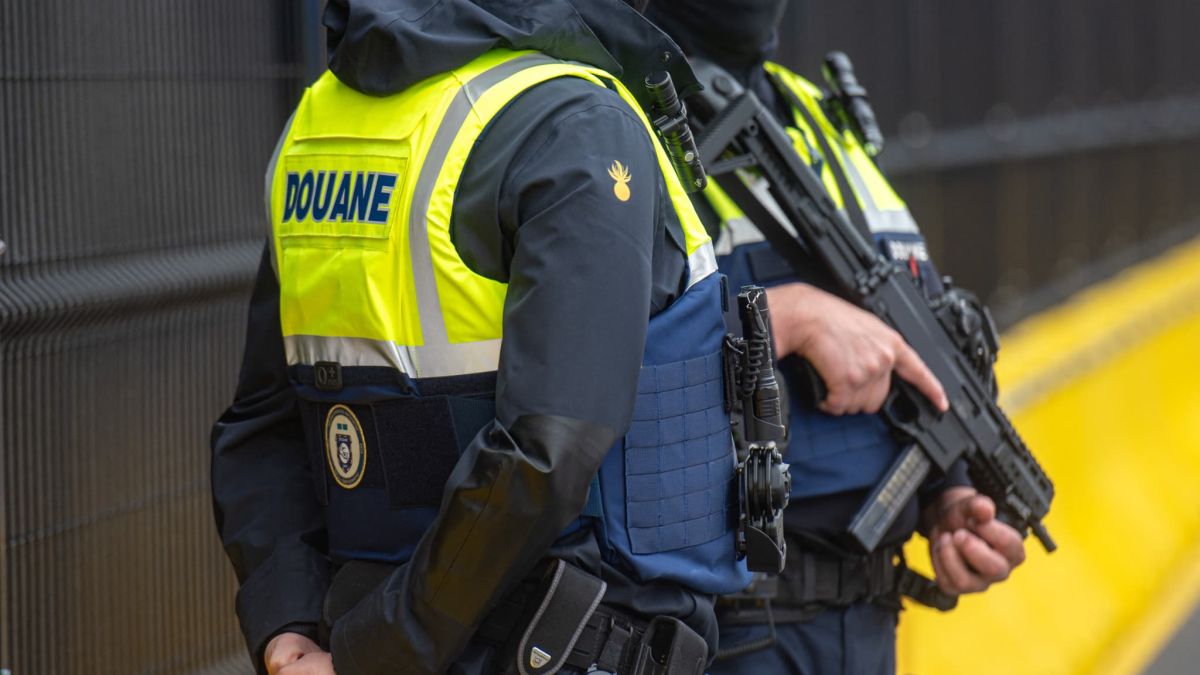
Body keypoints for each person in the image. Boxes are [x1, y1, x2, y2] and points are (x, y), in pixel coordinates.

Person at [209, 1, 757, 674]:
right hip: (558, 644)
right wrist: (375, 655)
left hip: (350, 634)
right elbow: (550, 445)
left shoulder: (318, 123)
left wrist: (288, 627)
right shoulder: (572, 120)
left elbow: (261, 422)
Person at [644, 1, 1028, 672]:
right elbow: (583, 368)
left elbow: (907, 336)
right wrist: (785, 318)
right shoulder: (611, 113)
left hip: (864, 623)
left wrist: (947, 492)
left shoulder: (816, 113)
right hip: (720, 628)